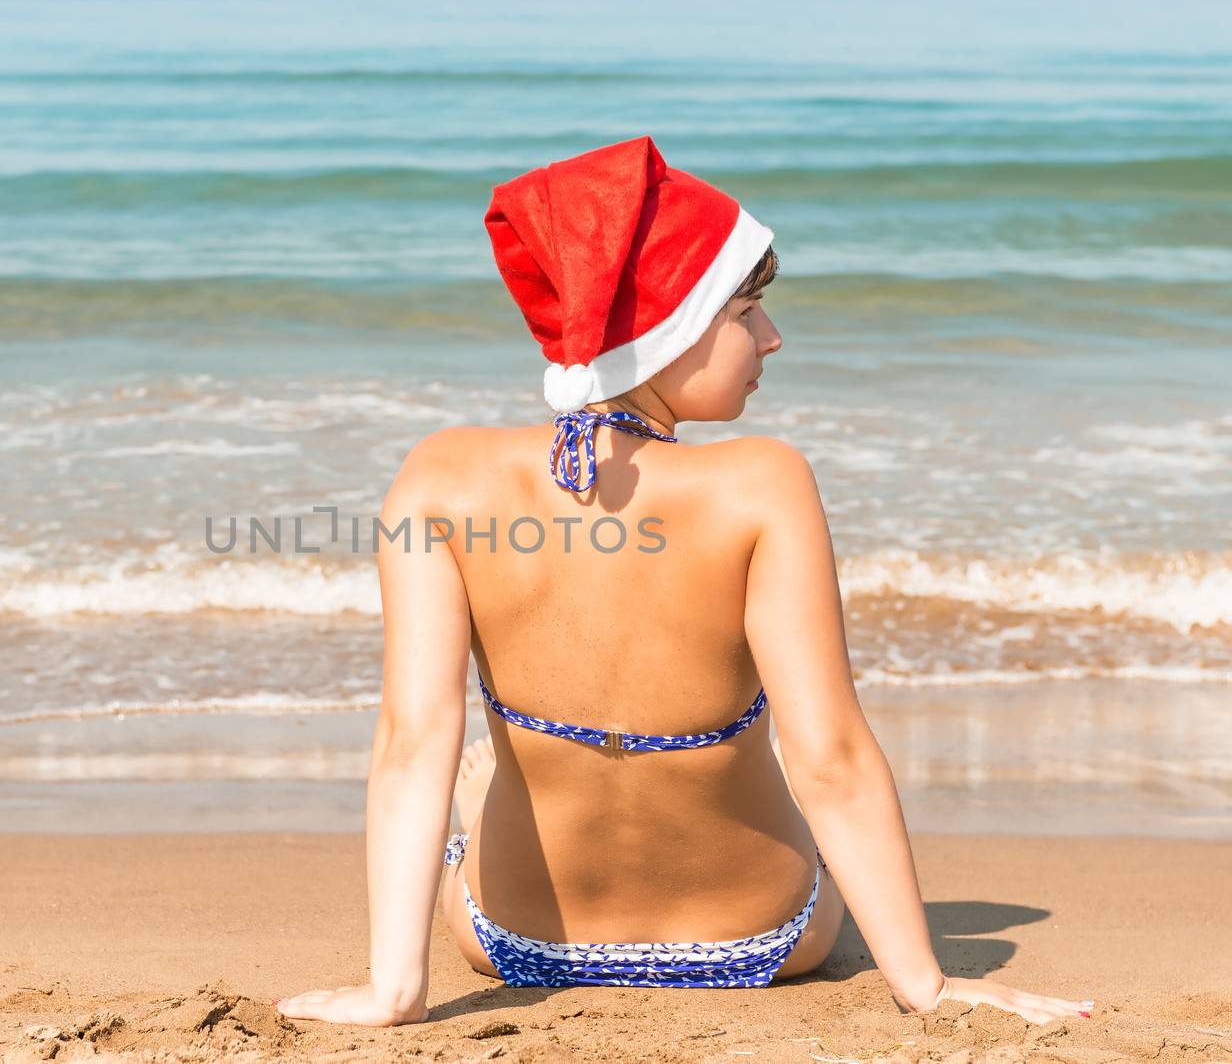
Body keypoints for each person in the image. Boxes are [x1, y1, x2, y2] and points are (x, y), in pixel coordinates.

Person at [275, 137, 1092, 1027]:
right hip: (765, 940)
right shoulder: (762, 483)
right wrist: (926, 987)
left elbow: (409, 741)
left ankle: (508, 791)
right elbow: (833, 757)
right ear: (666, 327)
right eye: (746, 311)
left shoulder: (439, 478)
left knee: (473, 771)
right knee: (783, 755)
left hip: (512, 940)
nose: (772, 337)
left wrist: (394, 991)